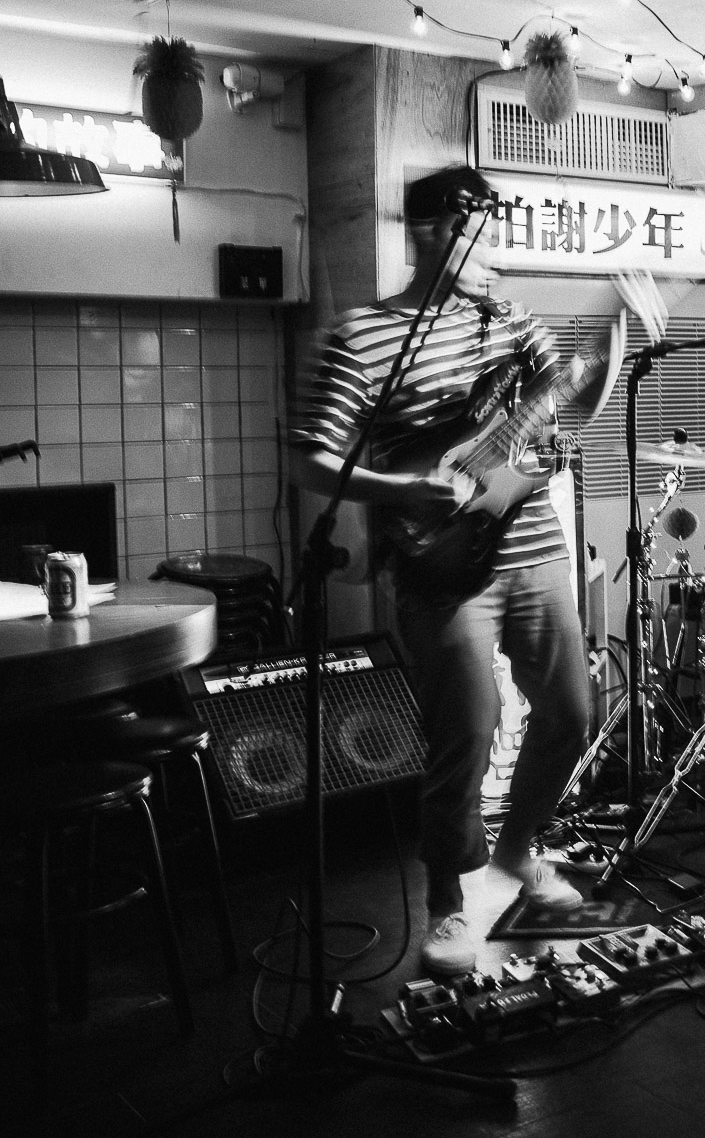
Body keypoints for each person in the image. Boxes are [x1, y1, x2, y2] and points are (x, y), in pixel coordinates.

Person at [290, 166, 596, 977]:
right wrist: (399, 488)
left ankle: (518, 851)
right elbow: (310, 458)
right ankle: (446, 901)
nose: (493, 255)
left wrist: (596, 370)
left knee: (571, 712)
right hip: (440, 564)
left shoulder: (513, 323)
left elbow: (563, 404)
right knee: (467, 728)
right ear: (433, 233)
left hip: (532, 547)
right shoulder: (363, 336)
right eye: (480, 238)